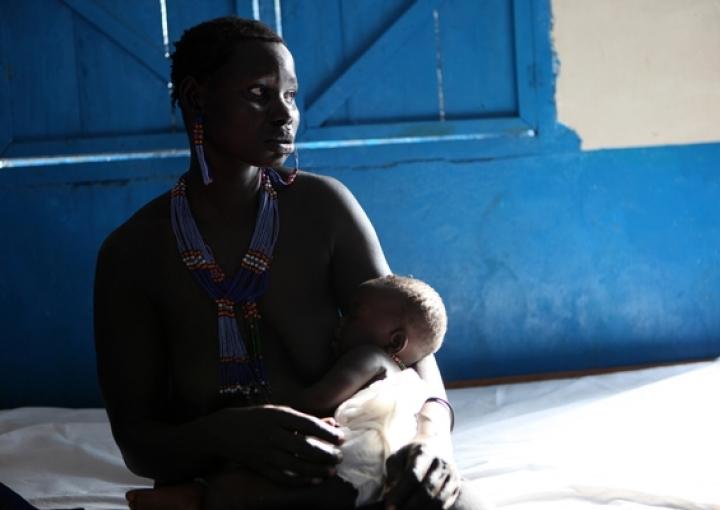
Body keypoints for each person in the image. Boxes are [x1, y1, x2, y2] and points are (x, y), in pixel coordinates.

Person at [94, 16, 489, 510]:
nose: (285, 115)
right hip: (237, 487)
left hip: (347, 461)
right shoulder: (132, 254)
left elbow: (409, 343)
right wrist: (226, 435)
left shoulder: (324, 208)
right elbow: (139, 443)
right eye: (259, 93)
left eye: (291, 95)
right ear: (197, 98)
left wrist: (433, 442)